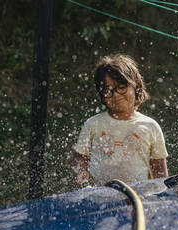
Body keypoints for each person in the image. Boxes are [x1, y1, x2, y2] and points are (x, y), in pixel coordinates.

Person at [71, 54, 168, 188]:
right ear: (102, 95)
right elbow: (80, 158)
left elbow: (160, 174)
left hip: (137, 198)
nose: (115, 94)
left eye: (121, 87)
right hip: (98, 196)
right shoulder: (93, 124)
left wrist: (159, 197)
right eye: (108, 90)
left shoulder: (150, 126)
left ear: (136, 87)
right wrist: (81, 176)